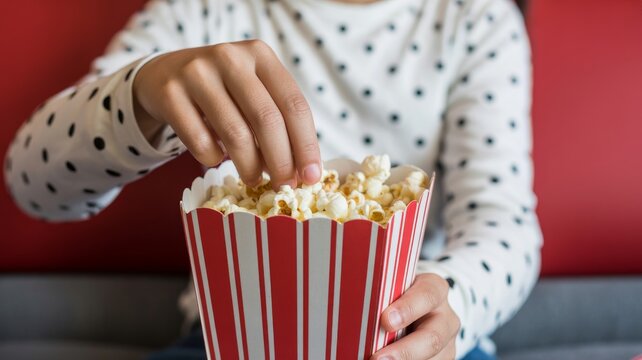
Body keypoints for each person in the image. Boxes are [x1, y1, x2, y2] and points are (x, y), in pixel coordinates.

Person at [3, 0, 542, 358]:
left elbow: (505, 224)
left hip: (412, 338)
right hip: (232, 339)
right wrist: (142, 92)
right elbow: (31, 181)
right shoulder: (210, 8)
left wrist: (457, 302)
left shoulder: (475, 18)